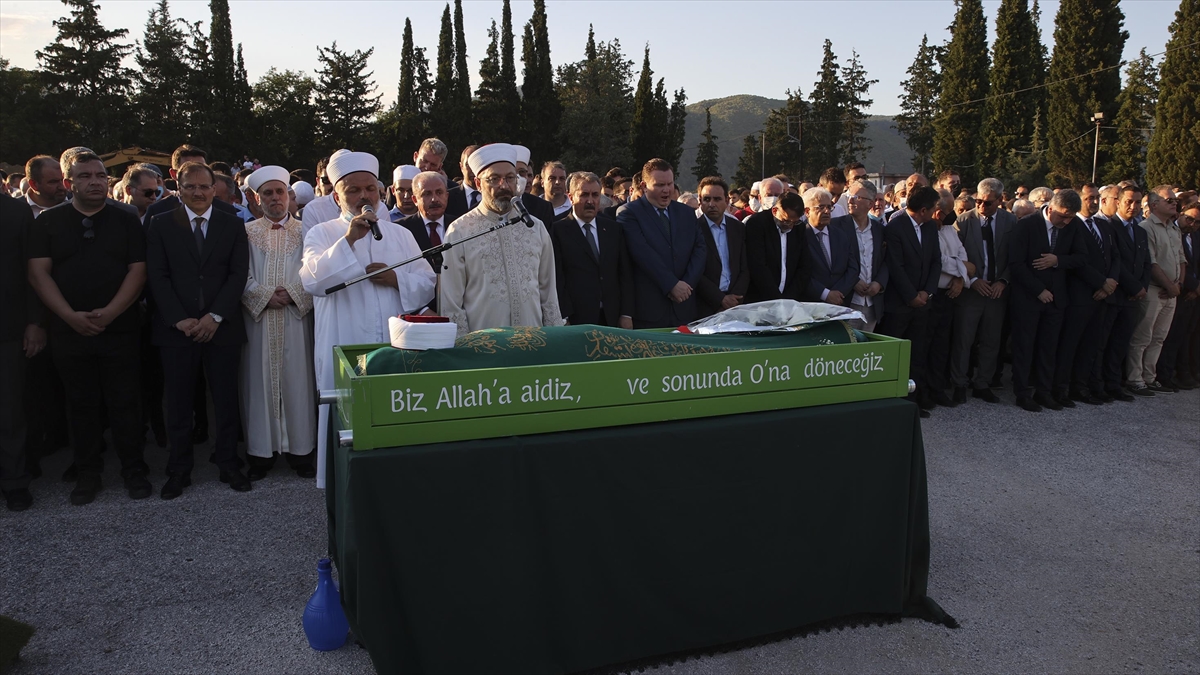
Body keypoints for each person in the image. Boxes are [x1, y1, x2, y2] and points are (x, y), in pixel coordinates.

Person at [301, 151, 435, 487]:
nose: (364, 196)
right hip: (343, 341)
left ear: (380, 193)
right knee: (347, 421)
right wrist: (349, 241)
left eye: (370, 190)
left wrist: (396, 280)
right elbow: (313, 281)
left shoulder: (400, 235)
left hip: (392, 345)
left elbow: (427, 282)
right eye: (354, 190)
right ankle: (344, 485)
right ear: (336, 196)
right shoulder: (322, 233)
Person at [26, 147, 152, 505]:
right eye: (85, 176)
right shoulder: (47, 223)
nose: (95, 182)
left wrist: (111, 312)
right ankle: (87, 472)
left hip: (121, 327)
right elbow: (38, 274)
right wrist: (68, 316)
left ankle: (134, 468)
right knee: (80, 404)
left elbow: (138, 271)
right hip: (69, 330)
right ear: (69, 182)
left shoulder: (126, 220)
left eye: (100, 176)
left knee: (125, 400)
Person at [145, 161, 250, 499]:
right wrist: (179, 318)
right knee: (177, 402)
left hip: (221, 327)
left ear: (214, 188)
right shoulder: (160, 223)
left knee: (225, 398)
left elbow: (237, 275)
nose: (199, 192)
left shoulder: (232, 223)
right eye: (190, 186)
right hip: (177, 329)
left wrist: (215, 316)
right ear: (178, 187)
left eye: (204, 186)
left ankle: (229, 462)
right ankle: (178, 468)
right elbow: (157, 276)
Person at [240, 166, 317, 481]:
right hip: (257, 323)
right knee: (257, 384)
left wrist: (296, 293)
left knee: (299, 382)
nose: (275, 198)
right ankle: (262, 453)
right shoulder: (245, 233)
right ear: (257, 199)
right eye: (268, 193)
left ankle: (301, 452)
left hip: (298, 321)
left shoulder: (308, 231)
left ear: (289, 195)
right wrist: (261, 295)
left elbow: (316, 270)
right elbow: (238, 274)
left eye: (280, 192)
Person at [439, 144, 562, 336]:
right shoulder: (460, 230)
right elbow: (451, 302)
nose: (504, 186)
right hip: (483, 348)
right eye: (494, 179)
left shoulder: (535, 227)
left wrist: (555, 341)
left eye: (510, 178)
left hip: (534, 343)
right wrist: (462, 349)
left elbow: (549, 293)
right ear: (478, 184)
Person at [1007, 189, 1088, 412]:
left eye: (1071, 217)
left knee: (1048, 348)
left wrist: (1057, 260)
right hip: (1028, 297)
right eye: (1063, 216)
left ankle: (1044, 392)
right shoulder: (1027, 225)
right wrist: (1038, 290)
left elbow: (1082, 257)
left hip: (1056, 299)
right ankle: (1022, 393)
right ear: (1051, 208)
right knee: (1025, 347)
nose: (1066, 221)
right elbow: (1016, 264)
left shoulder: (1072, 226)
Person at [616, 158, 707, 328]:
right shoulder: (629, 214)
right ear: (644, 186)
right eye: (659, 185)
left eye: (669, 184)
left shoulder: (687, 213)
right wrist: (671, 284)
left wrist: (686, 286)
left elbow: (700, 249)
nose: (666, 190)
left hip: (685, 308)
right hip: (649, 310)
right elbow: (642, 253)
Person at [950, 178, 1016, 403]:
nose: (981, 206)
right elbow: (956, 256)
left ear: (1000, 200)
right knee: (964, 339)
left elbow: (1015, 257)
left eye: (987, 203)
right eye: (978, 201)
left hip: (997, 291)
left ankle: (983, 383)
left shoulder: (1011, 222)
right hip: (971, 290)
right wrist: (973, 279)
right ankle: (959, 383)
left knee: (991, 340)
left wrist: (1003, 281)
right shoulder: (964, 221)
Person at [1053, 184, 1119, 406]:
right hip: (1079, 295)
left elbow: (1114, 257)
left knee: (1091, 344)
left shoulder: (1103, 225)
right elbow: (1076, 261)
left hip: (1103, 294)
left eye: (1096, 198)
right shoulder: (1070, 225)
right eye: (1089, 198)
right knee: (1070, 345)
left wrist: (1110, 283)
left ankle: (1082, 386)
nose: (1093, 202)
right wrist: (1101, 282)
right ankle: (1062, 388)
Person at [879, 185, 941, 416]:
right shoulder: (895, 227)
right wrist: (911, 296)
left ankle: (914, 398)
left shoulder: (930, 228)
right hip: (900, 304)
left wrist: (927, 292)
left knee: (918, 352)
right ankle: (894, 400)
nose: (937, 212)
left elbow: (936, 261)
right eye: (934, 208)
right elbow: (895, 266)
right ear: (923, 209)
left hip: (924, 302)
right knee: (897, 354)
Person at [0, 191, 43, 511]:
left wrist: (35, 322)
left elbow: (33, 274)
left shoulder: (16, 212)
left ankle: (14, 480)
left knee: (9, 409)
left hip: (9, 327)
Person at [550, 171, 634, 327]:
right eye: (584, 195)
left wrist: (626, 314)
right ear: (570, 197)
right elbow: (557, 279)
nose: (590, 201)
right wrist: (564, 317)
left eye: (595, 195)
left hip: (612, 318)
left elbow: (624, 274)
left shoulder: (613, 229)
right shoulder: (558, 231)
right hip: (577, 320)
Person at [1126, 186, 1186, 395]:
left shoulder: (1174, 228)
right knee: (1142, 337)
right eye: (1168, 201)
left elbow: (1181, 258)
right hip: (1153, 290)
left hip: (1171, 292)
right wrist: (1169, 286)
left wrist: (1178, 286)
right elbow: (1150, 263)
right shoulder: (1146, 227)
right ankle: (1134, 378)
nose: (1174, 203)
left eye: (1174, 201)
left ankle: (1149, 377)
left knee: (1159, 337)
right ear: (1154, 205)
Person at [1098, 184, 1151, 401]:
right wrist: (1134, 286)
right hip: (1114, 294)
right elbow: (1115, 260)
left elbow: (1146, 262)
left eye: (1138, 202)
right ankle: (1098, 383)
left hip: (1132, 298)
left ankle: (1113, 383)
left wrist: (1143, 287)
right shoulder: (1108, 227)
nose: (1133, 206)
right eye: (1129, 201)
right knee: (1103, 342)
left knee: (1121, 342)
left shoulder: (1140, 230)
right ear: (1118, 202)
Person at [695, 176, 750, 318]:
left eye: (717, 199)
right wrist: (720, 299)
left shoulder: (738, 228)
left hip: (735, 304)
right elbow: (695, 271)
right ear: (700, 201)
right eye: (707, 199)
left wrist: (734, 298)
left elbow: (745, 267)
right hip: (704, 305)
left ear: (727, 201)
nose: (712, 204)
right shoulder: (693, 229)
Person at [1157, 202, 1198, 389]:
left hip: (1192, 294)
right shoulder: (1171, 233)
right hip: (1173, 291)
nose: (1192, 224)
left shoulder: (1194, 237)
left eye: (1197, 222)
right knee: (1167, 336)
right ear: (1180, 215)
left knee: (1185, 335)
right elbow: (1173, 262)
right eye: (1189, 218)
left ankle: (1183, 371)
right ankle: (1164, 373)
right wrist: (1191, 285)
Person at [743, 191, 812, 304]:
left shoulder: (798, 228)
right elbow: (757, 265)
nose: (790, 226)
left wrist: (789, 298)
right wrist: (777, 299)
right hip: (761, 300)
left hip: (790, 300)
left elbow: (805, 266)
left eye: (794, 222)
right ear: (775, 211)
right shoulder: (757, 224)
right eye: (786, 221)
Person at [843, 179, 887, 332]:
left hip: (872, 303)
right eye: (849, 196)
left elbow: (885, 261)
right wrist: (853, 281)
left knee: (866, 350)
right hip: (847, 301)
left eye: (857, 197)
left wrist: (879, 283)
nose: (850, 200)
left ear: (870, 203)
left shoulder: (879, 230)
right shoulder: (837, 227)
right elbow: (835, 261)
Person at [803, 187, 858, 305]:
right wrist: (825, 294)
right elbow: (799, 273)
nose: (827, 211)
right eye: (821, 207)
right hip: (812, 304)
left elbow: (853, 268)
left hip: (840, 302)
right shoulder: (799, 236)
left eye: (829, 207)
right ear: (807, 212)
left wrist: (838, 293)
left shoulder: (840, 234)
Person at [444, 145, 479, 224]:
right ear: (461, 166)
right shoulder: (448, 198)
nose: (473, 169)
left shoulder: (492, 196)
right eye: (468, 165)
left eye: (477, 164)